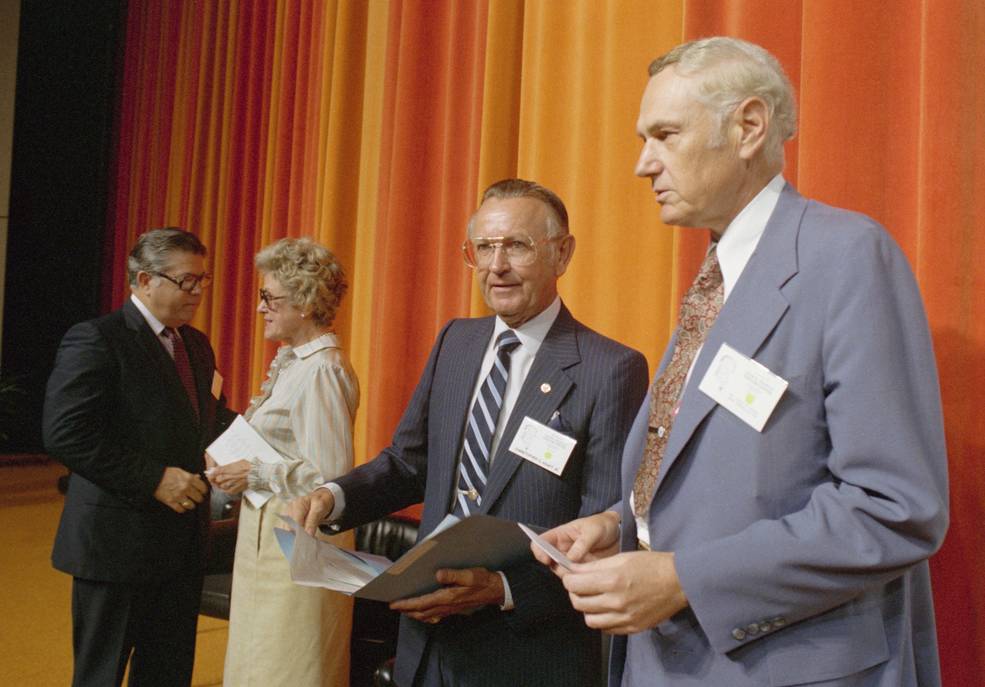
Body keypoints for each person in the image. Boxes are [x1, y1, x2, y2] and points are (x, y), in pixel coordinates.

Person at [534, 37, 949, 687]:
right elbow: (735, 470)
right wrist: (623, 525)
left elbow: (891, 506)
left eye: (664, 134)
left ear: (748, 127)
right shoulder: (718, 277)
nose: (643, 163)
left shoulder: (845, 257)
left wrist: (682, 578)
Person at [289, 178, 649, 687]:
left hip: (527, 653)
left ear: (562, 254)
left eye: (517, 246)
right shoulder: (456, 341)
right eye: (484, 247)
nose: (496, 266)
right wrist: (333, 497)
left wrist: (500, 586)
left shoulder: (609, 369)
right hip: (427, 641)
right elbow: (409, 463)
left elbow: (607, 528)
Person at [44, 228, 235, 686]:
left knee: (168, 673)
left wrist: (264, 440)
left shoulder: (195, 344)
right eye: (187, 281)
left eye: (203, 281)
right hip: (116, 545)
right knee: (101, 674)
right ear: (145, 280)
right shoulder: (97, 338)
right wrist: (153, 478)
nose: (198, 293)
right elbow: (65, 433)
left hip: (182, 544)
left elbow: (208, 420)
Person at [209, 237, 359, 686]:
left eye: (269, 298)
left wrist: (253, 471)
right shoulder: (295, 363)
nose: (261, 308)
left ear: (307, 303)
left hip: (298, 541)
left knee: (288, 667)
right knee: (260, 662)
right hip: (267, 535)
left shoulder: (321, 370)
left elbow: (330, 476)